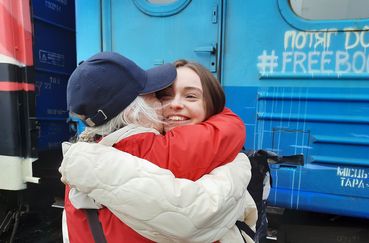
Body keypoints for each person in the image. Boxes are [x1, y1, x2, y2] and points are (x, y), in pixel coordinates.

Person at [60, 52, 257, 242]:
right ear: (134, 112)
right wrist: (237, 162)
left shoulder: (82, 156)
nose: (174, 105)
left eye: (190, 96)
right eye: (160, 96)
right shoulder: (158, 153)